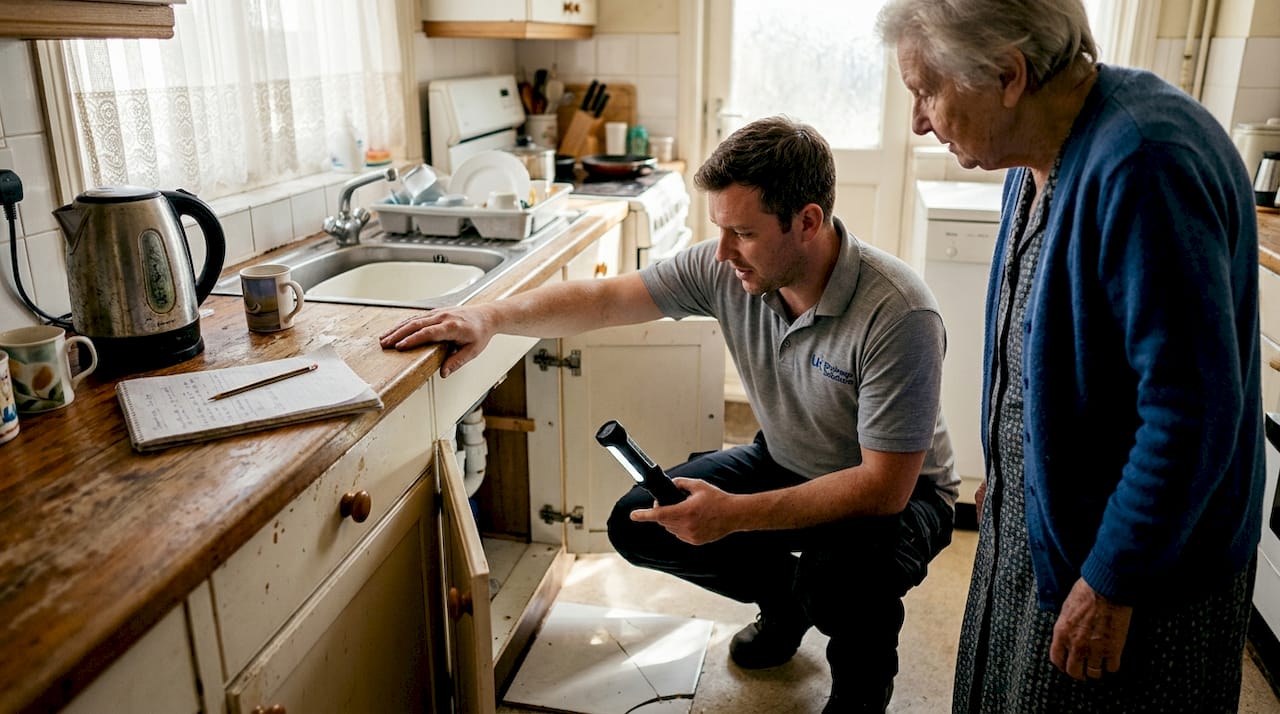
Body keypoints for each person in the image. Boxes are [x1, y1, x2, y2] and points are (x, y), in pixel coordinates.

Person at [381, 116, 958, 712]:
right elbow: (606, 300)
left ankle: (857, 691)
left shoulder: (898, 312)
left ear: (808, 222)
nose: (723, 252)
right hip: (788, 458)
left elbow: (883, 488)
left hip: (901, 496)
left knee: (843, 577)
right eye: (720, 229)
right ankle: (789, 601)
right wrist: (489, 317)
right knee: (639, 520)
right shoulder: (728, 267)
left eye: (744, 232)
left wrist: (734, 515)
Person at [876, 1, 1266, 712]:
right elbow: (1043, 351)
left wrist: (1114, 577)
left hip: (1138, 568)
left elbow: (1192, 413)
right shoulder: (1032, 159)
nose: (919, 121)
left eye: (925, 90)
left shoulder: (1146, 163)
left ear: (1008, 74)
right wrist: (1010, 468)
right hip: (1053, 521)